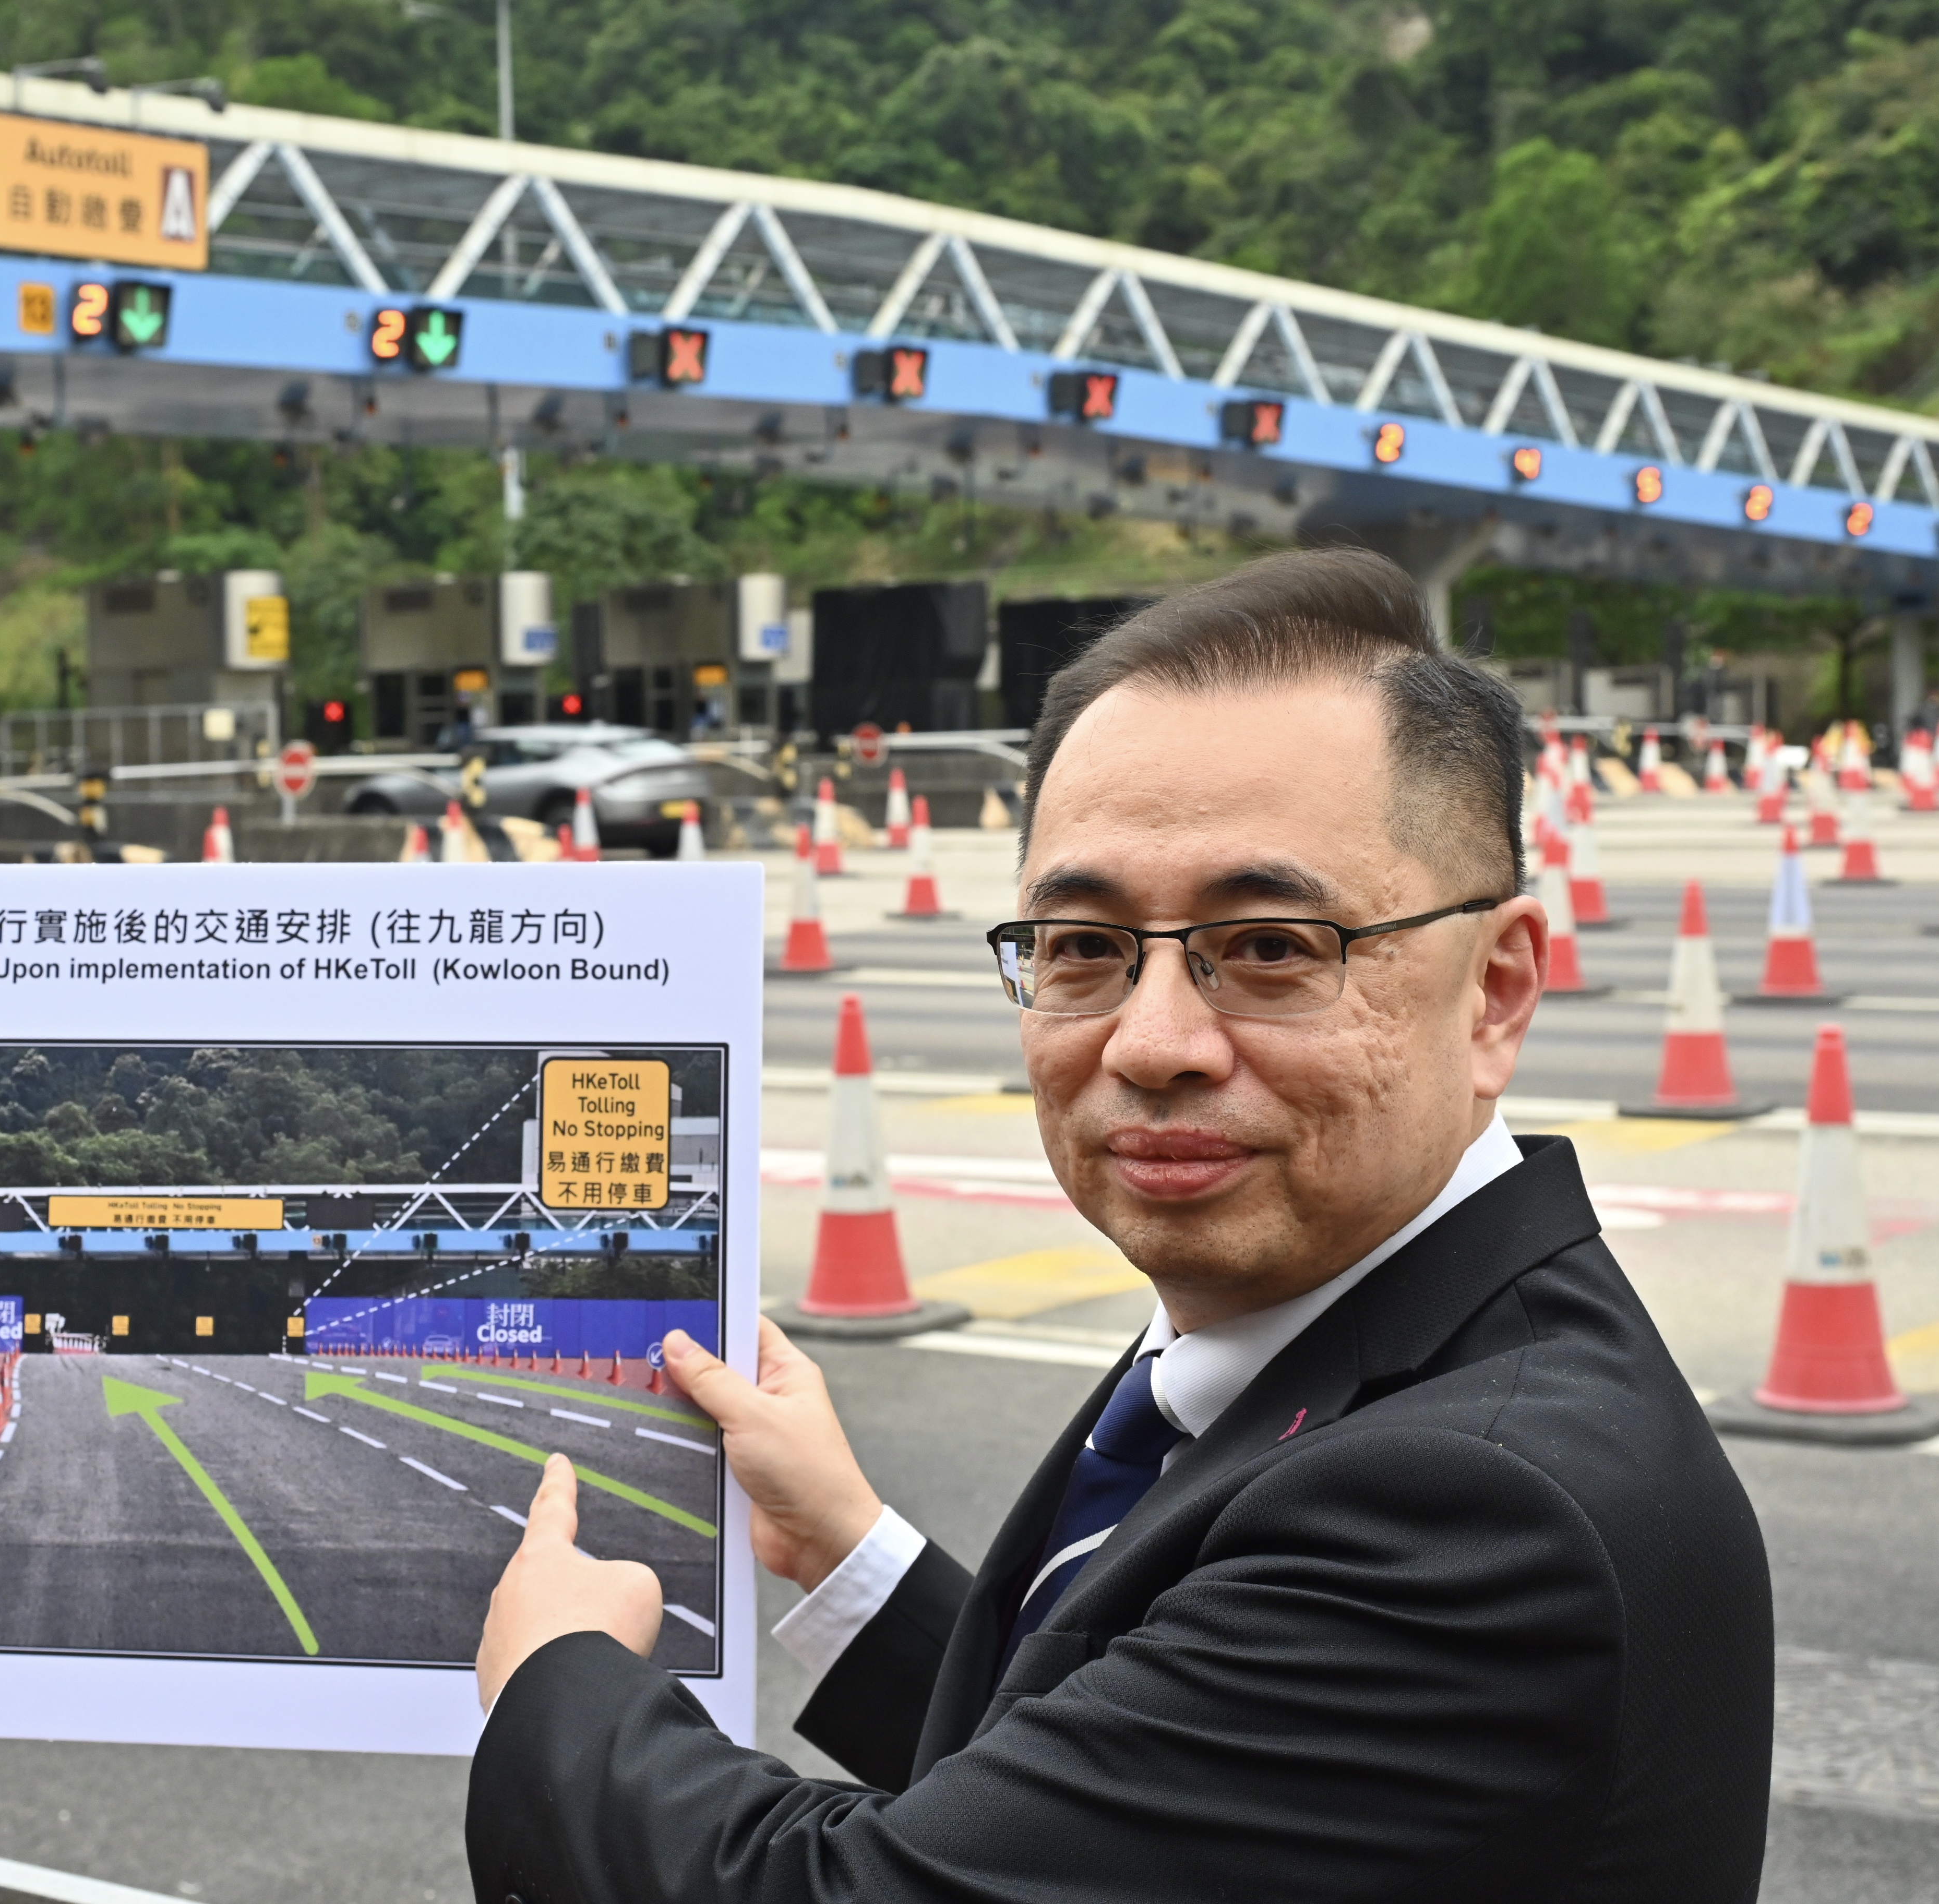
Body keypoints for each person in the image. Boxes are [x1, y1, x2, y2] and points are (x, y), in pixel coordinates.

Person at [467, 548, 1774, 1902]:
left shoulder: (1469, 1515)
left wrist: (561, 1684)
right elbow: (1121, 1792)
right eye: (1081, 946)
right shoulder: (1308, 1329)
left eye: (1271, 945)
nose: (1150, 1042)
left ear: (1492, 991)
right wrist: (842, 1548)